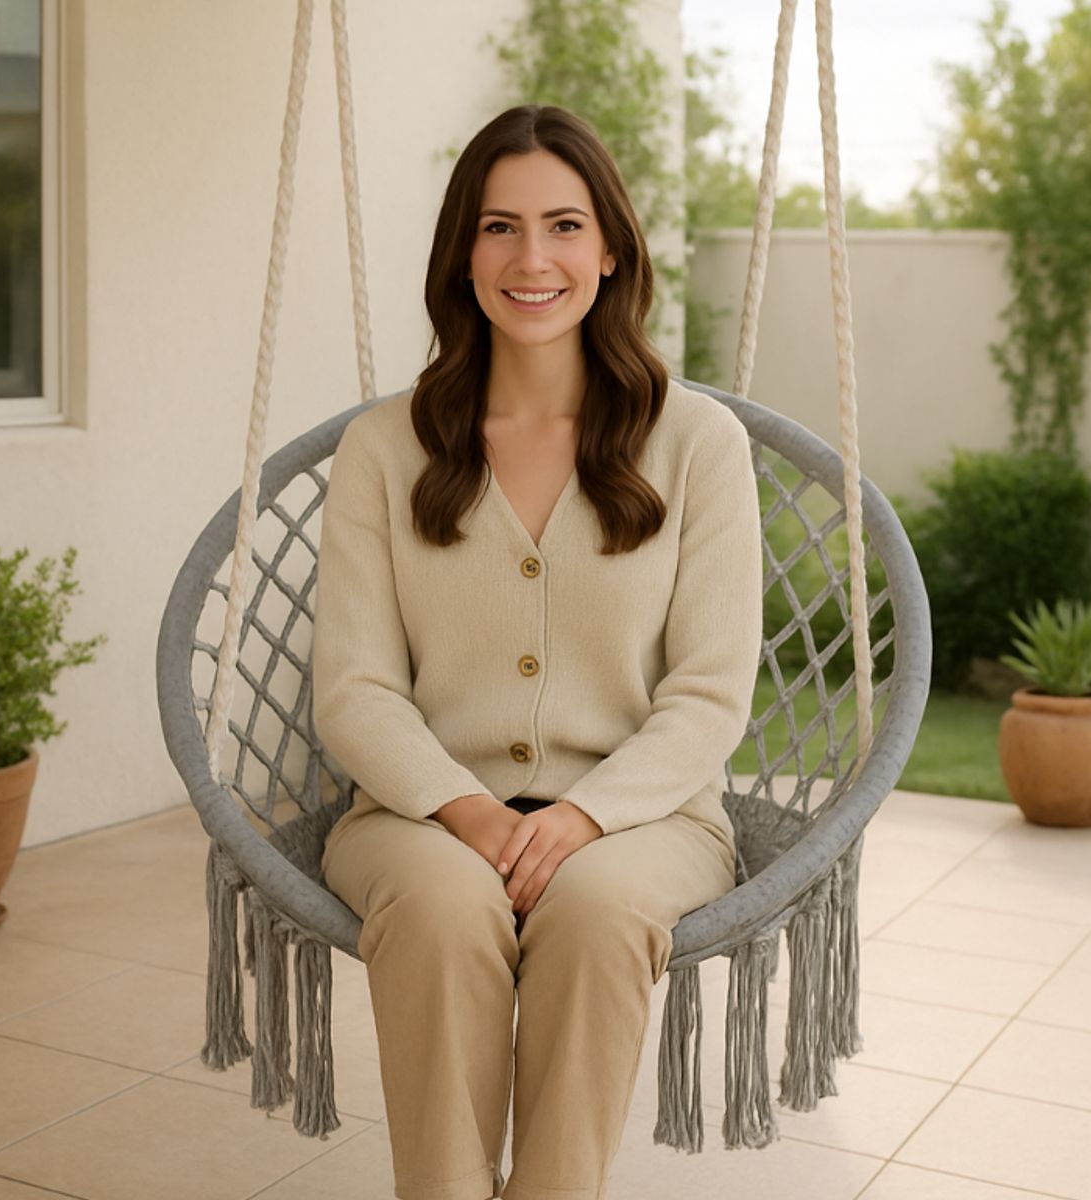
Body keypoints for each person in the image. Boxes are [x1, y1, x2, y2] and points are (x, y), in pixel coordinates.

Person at [312, 104, 763, 1200]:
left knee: (600, 911)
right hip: (420, 815)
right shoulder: (382, 447)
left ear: (610, 251)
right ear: (462, 255)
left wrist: (584, 817)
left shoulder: (700, 444)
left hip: (645, 818)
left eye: (563, 226)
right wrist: (469, 813)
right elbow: (356, 689)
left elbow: (709, 695)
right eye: (498, 227)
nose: (532, 259)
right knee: (438, 906)